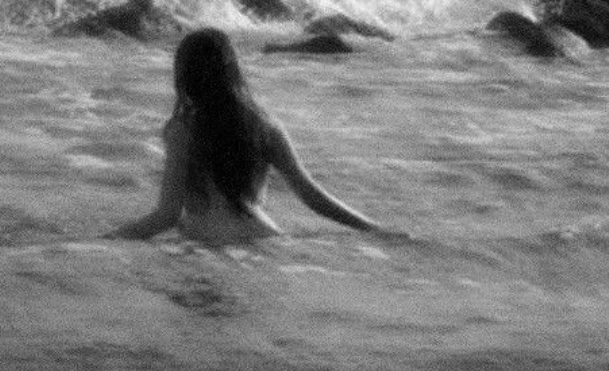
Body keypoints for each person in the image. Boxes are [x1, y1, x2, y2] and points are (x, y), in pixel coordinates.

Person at [105, 27, 393, 244]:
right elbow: (310, 194)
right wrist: (374, 229)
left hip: (210, 245)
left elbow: (166, 216)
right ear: (233, 72)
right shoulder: (263, 125)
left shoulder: (182, 130)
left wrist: (108, 240)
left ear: (184, 77)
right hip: (264, 239)